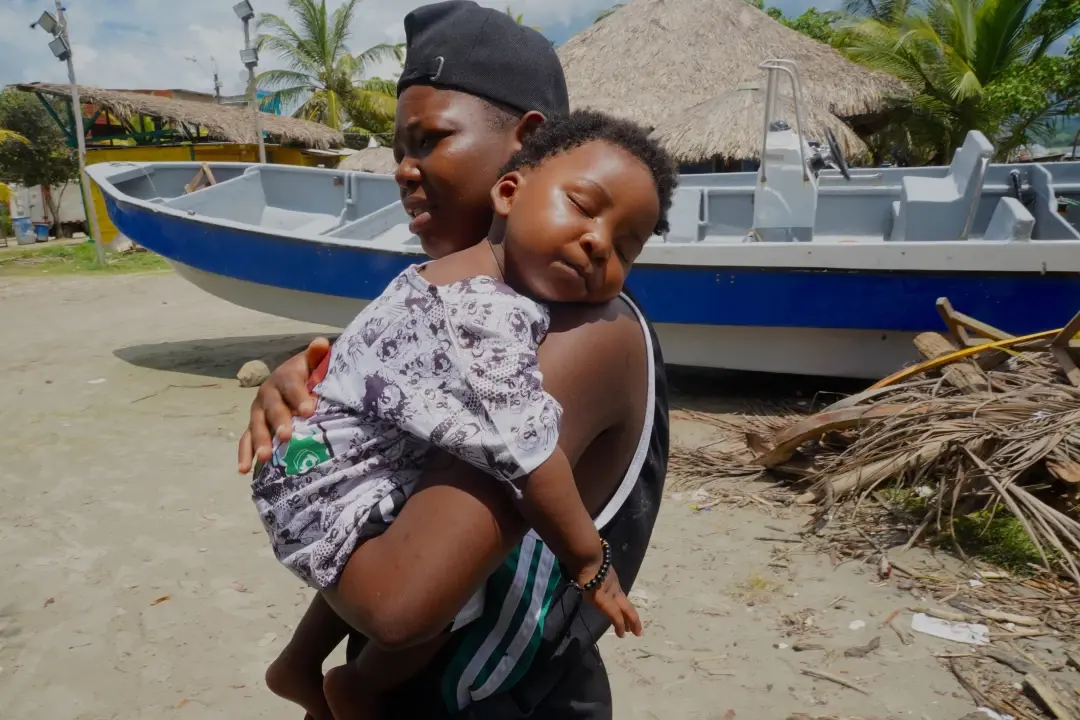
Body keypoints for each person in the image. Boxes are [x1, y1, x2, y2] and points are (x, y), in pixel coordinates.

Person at [238, 2, 670, 717]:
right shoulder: (475, 299)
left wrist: (592, 568)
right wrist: (302, 378)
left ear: (523, 152)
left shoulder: (586, 331)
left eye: (430, 140)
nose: (403, 170)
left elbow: (399, 604)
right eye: (400, 147)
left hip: (496, 693)